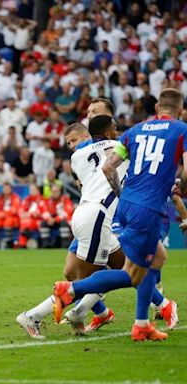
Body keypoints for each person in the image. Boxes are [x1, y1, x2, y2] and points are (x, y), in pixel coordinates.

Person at [53, 88, 187, 341]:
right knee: (134, 271)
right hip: (146, 208)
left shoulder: (134, 133)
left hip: (124, 207)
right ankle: (71, 291)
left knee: (151, 261)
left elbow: (107, 167)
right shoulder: (181, 129)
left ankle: (141, 319)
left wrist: (121, 194)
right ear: (180, 110)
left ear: (157, 109)